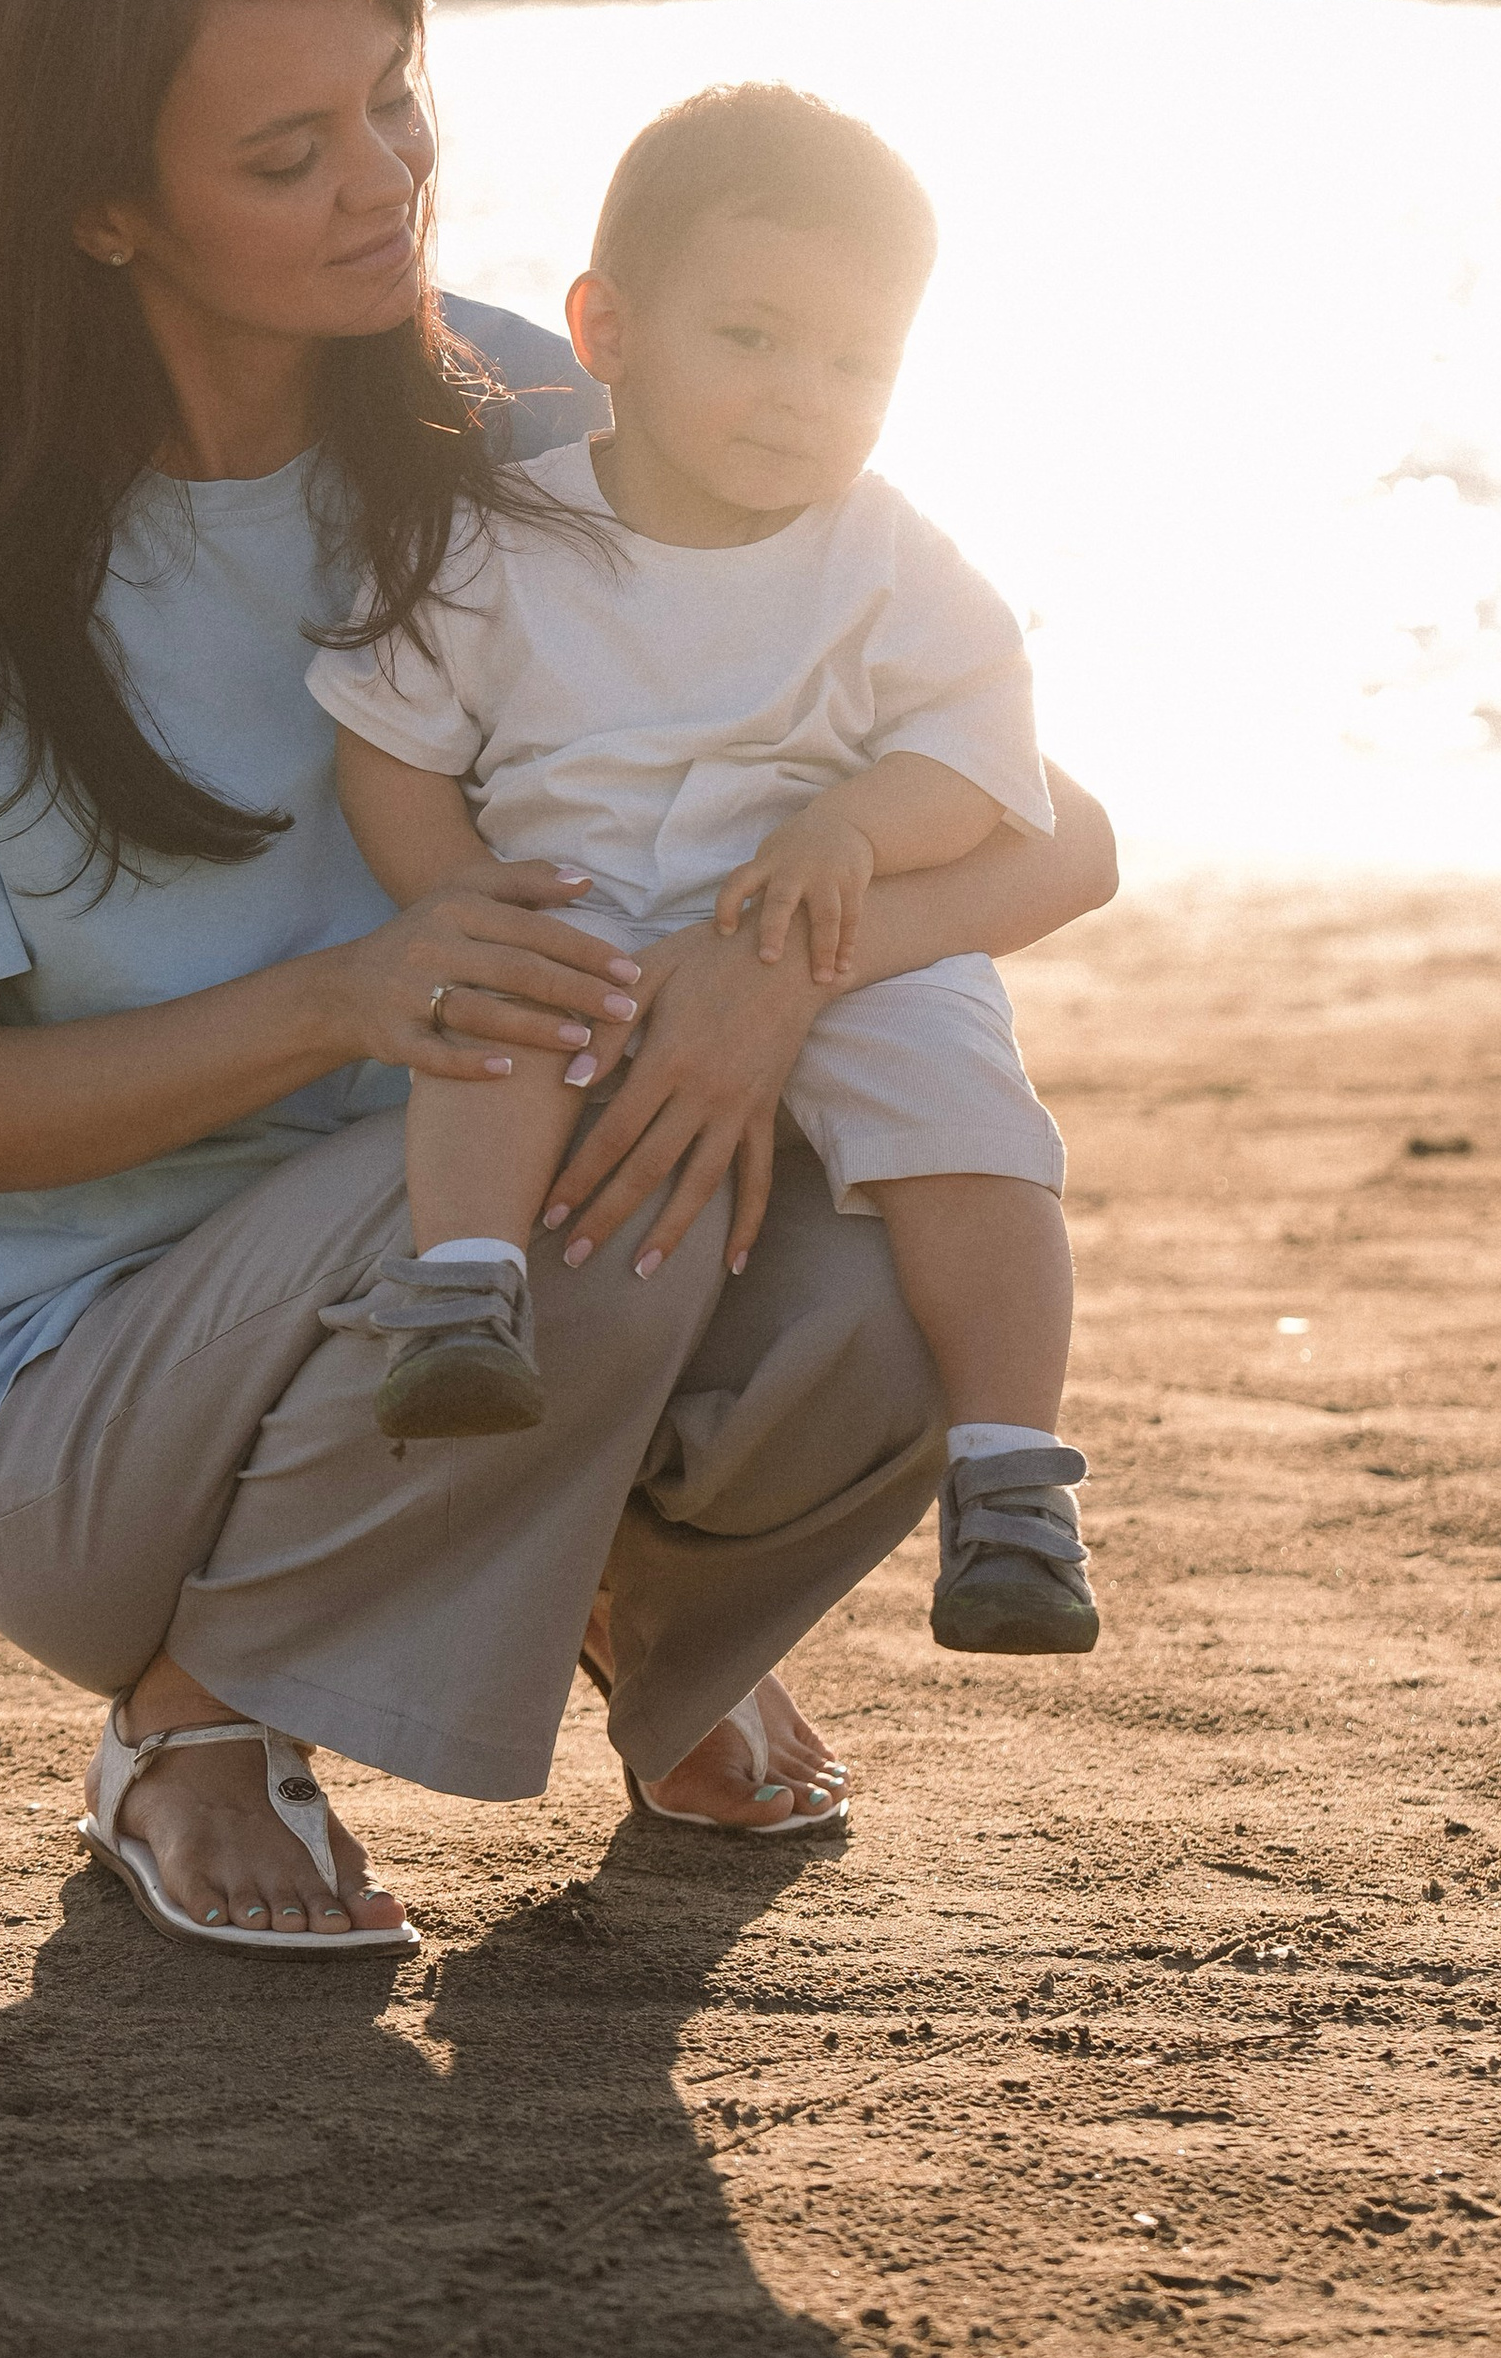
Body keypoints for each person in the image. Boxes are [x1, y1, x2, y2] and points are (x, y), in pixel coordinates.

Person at [0, 0, 1118, 1959]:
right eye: (284, 156)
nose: (379, 180)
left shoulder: (542, 408)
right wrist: (349, 999)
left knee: (898, 1264)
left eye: (393, 104)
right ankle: (193, 1716)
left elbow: (1050, 833)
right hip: (84, 1413)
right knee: (583, 1224)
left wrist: (764, 975)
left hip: (488, 1272)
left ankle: (645, 1624)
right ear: (98, 203)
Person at [311, 83, 1095, 1659]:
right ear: (604, 326)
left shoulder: (892, 558)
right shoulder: (504, 540)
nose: (805, 394)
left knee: (973, 1118)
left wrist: (858, 828)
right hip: (578, 909)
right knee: (497, 1010)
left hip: (822, 930)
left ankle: (1012, 1471)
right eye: (751, 338)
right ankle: (464, 1289)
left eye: (856, 360)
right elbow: (390, 745)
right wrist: (458, 901)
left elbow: (986, 765)